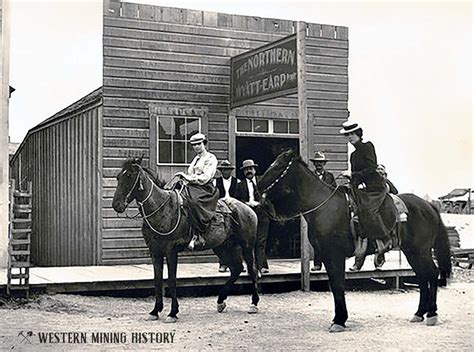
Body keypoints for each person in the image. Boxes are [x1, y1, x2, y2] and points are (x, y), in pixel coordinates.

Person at [339, 121, 394, 271]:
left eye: (351, 134)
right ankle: (359, 257)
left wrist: (353, 174)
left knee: (368, 212)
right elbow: (356, 176)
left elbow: (371, 168)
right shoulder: (353, 155)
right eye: (347, 135)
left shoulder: (368, 147)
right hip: (362, 189)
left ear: (358, 134)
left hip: (375, 188)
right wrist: (351, 180)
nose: (349, 137)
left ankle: (385, 240)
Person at [175, 133, 219, 251]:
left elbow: (206, 176)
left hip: (205, 188)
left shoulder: (210, 158)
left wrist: (188, 178)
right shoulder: (196, 159)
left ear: (204, 144)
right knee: (176, 197)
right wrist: (184, 179)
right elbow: (191, 174)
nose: (196, 147)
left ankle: (199, 234)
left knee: (192, 201)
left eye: (199, 144)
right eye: (194, 145)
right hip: (193, 186)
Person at [235, 159, 270, 274]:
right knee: (248, 241)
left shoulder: (262, 181)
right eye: (246, 170)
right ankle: (251, 266)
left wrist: (261, 202)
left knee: (261, 240)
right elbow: (237, 201)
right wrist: (246, 204)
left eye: (250, 169)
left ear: (254, 169)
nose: (248, 171)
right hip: (247, 215)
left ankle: (260, 267)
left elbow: (269, 196)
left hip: (262, 213)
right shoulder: (240, 186)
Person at [309, 151, 336, 271]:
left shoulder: (330, 176)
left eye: (321, 162)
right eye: (317, 162)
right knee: (316, 237)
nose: (319, 164)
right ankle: (317, 263)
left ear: (324, 164)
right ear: (314, 164)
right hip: (315, 211)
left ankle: (329, 264)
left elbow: (334, 191)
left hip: (327, 212)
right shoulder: (310, 176)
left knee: (329, 238)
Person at [214, 159, 239, 272]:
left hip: (234, 210)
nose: (226, 172)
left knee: (235, 238)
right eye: (223, 170)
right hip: (221, 210)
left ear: (231, 171)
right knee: (222, 238)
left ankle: (237, 264)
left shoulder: (237, 182)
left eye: (228, 170)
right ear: (221, 171)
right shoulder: (216, 182)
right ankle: (223, 264)